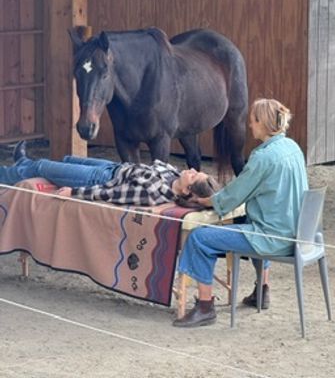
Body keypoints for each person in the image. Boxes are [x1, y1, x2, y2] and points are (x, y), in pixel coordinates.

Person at [173, 98, 308, 328]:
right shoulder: (292, 148)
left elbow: (235, 195)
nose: (250, 125)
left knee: (199, 238)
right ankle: (262, 289)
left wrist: (204, 201)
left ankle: (205, 307)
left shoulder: (263, 157)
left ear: (263, 123)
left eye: (253, 121)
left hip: (272, 237)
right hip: (295, 232)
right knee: (246, 217)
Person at [0, 141, 219, 207]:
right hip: (113, 166)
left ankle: (5, 174)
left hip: (99, 178)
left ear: (188, 190)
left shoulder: (153, 192)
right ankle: (22, 163)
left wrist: (75, 192)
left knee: (42, 167)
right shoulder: (174, 175)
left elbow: (111, 193)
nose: (190, 170)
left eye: (193, 176)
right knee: (65, 159)